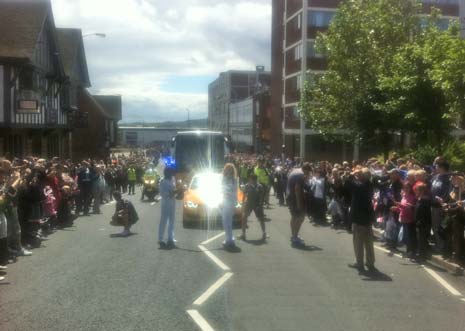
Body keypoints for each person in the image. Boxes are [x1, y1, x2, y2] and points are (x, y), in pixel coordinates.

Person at [346, 167, 377, 273]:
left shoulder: (359, 187)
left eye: (359, 175)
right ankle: (370, 262)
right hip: (367, 217)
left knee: (358, 241)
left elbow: (348, 182)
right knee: (368, 242)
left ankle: (359, 262)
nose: (357, 176)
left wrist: (352, 173)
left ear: (363, 176)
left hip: (359, 218)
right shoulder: (369, 185)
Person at [286, 162, 312, 248]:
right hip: (294, 198)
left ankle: (294, 235)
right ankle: (295, 237)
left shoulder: (296, 170)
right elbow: (297, 189)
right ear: (306, 170)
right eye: (308, 172)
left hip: (290, 196)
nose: (308, 174)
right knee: (300, 217)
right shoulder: (301, 175)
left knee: (294, 217)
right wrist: (299, 204)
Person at [240, 174, 267, 242]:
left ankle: (264, 233)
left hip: (257, 204)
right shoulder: (247, 186)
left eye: (252, 179)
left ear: (254, 179)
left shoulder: (259, 186)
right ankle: (243, 234)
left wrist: (261, 204)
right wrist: (243, 203)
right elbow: (244, 195)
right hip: (249, 203)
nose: (250, 180)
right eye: (251, 179)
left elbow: (262, 196)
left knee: (261, 219)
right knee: (244, 217)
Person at [222, 163, 239, 251]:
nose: (228, 170)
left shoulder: (233, 180)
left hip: (229, 201)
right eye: (227, 169)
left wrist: (235, 203)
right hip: (226, 201)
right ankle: (229, 238)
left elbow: (235, 191)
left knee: (227, 221)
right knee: (227, 221)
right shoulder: (226, 179)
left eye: (229, 169)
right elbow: (222, 189)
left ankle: (229, 240)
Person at [158, 167, 177, 249]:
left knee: (172, 221)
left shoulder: (172, 180)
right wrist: (173, 193)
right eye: (170, 172)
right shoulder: (163, 181)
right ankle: (160, 238)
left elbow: (174, 190)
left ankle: (170, 238)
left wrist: (177, 191)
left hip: (172, 203)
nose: (172, 174)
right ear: (166, 173)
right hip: (166, 203)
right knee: (164, 220)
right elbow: (163, 193)